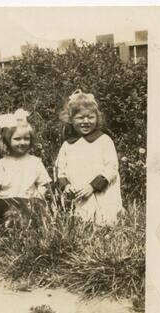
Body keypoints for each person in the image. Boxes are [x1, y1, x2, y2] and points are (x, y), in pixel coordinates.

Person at [55, 89, 123, 226]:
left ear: (97, 118)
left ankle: (106, 222)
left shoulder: (104, 140)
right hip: (78, 194)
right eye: (80, 118)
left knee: (103, 220)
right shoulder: (68, 145)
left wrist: (93, 186)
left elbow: (111, 168)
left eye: (90, 117)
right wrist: (66, 185)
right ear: (71, 120)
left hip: (101, 192)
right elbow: (59, 169)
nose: (86, 121)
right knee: (79, 220)